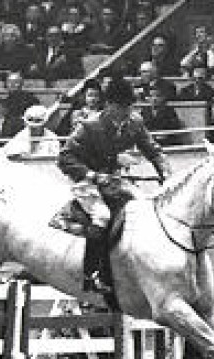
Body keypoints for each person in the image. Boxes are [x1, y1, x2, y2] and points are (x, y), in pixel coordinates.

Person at [57, 75, 171, 295]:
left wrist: (166, 172)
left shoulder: (135, 122)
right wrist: (92, 175)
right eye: (122, 107)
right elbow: (65, 158)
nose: (127, 113)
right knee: (102, 217)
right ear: (109, 105)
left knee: (143, 207)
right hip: (87, 182)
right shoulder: (89, 126)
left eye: (130, 107)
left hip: (114, 180)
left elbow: (153, 151)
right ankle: (90, 274)